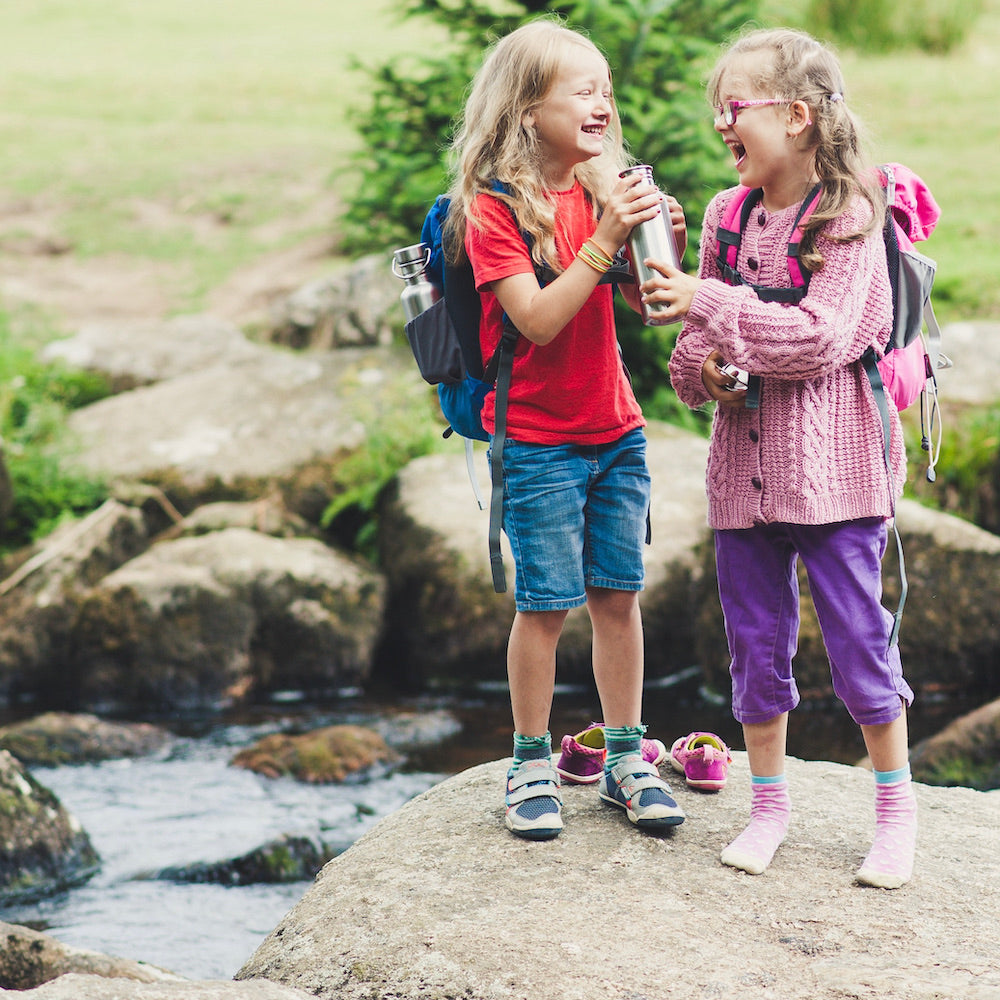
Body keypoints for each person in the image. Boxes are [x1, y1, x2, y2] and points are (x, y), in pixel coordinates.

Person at [646, 27, 917, 888]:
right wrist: (711, 370)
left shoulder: (850, 217)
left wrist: (713, 305)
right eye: (715, 110)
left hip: (837, 477)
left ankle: (895, 814)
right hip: (743, 480)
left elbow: (824, 337)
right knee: (755, 647)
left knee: (857, 645)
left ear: (796, 117)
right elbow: (690, 364)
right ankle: (769, 806)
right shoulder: (727, 218)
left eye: (734, 107)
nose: (720, 124)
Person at [441, 18, 689, 840]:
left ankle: (625, 756)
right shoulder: (493, 211)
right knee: (546, 604)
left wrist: (662, 254)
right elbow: (539, 322)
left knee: (618, 597)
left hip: (614, 428)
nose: (603, 105)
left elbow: (645, 314)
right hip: (540, 439)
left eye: (605, 91)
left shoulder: (597, 190)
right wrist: (607, 240)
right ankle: (529, 761)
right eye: (583, 91)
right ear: (524, 109)